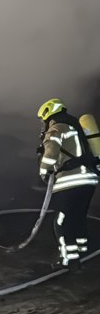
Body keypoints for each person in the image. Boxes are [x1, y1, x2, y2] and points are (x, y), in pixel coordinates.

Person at [37, 99, 99, 271]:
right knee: (77, 217)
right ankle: (82, 250)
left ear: (48, 114)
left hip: (70, 180)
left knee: (62, 221)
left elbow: (51, 153)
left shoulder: (57, 128)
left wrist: (44, 171)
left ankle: (69, 260)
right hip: (89, 180)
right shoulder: (76, 127)